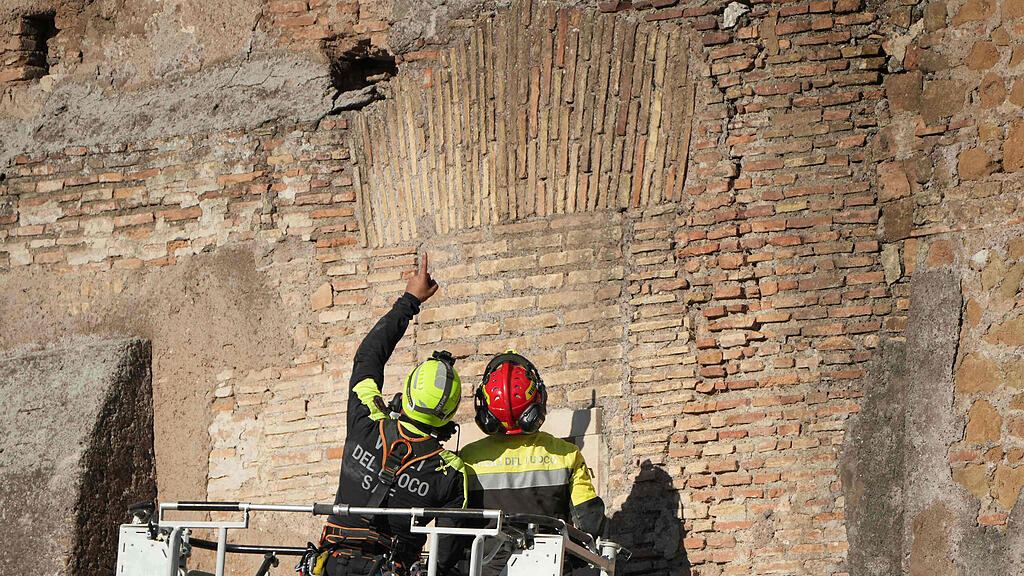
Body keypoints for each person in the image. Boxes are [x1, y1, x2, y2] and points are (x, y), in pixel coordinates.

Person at [318, 255, 468, 576]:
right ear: (450, 412)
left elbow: (367, 358)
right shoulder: (451, 472)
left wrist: (409, 301)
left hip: (330, 564)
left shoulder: (366, 421)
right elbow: (445, 555)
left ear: (408, 391)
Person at [438, 351, 605, 574]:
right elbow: (589, 525)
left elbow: (451, 531)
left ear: (485, 409)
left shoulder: (466, 459)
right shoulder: (567, 455)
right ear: (537, 401)